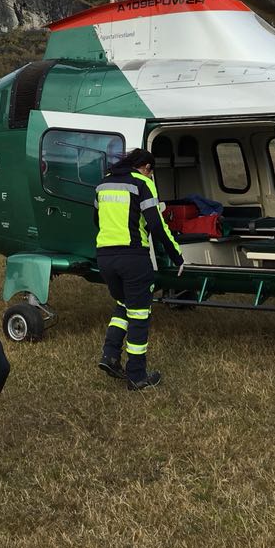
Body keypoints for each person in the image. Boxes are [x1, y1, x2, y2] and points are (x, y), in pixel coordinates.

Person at [94, 148, 185, 390]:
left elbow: (96, 219)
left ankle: (110, 356)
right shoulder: (142, 183)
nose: (150, 174)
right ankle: (137, 376)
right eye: (149, 170)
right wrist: (177, 255)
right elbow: (156, 224)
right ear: (144, 166)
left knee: (124, 304)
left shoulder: (103, 184)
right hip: (133, 257)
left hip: (104, 257)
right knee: (139, 315)